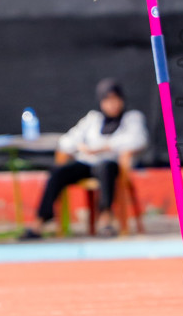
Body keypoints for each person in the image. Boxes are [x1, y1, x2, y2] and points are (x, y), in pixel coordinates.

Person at [19, 79, 148, 240]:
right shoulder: (93, 120)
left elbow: (138, 140)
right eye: (107, 100)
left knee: (105, 167)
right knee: (58, 172)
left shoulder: (132, 118)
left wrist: (105, 147)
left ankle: (106, 219)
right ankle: (40, 221)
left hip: (112, 165)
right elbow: (66, 141)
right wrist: (81, 146)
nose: (112, 104)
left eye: (115, 99)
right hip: (88, 163)